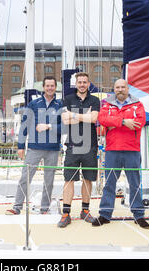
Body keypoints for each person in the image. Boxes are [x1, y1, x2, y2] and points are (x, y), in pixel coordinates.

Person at [93, 79, 149, 229]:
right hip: (112, 150)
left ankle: (139, 215)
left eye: (122, 87)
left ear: (127, 88)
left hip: (132, 150)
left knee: (135, 184)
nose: (120, 90)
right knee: (109, 184)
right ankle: (105, 214)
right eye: (117, 87)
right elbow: (102, 118)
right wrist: (124, 122)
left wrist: (114, 124)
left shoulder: (138, 104)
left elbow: (140, 121)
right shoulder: (106, 104)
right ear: (114, 89)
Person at [6, 76, 63, 215]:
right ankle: (17, 207)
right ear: (43, 87)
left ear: (55, 87)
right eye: (47, 85)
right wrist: (20, 146)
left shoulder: (60, 105)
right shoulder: (33, 104)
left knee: (48, 181)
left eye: (52, 86)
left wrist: (49, 127)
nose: (50, 88)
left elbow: (65, 127)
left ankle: (45, 209)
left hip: (53, 149)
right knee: (25, 178)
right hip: (34, 148)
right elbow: (25, 125)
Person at [57, 72, 100, 228]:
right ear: (76, 84)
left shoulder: (95, 100)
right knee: (69, 179)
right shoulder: (68, 99)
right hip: (73, 145)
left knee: (88, 179)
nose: (82, 84)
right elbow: (64, 119)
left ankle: (85, 211)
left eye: (85, 82)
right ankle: (66, 213)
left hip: (90, 145)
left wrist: (73, 115)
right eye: (79, 82)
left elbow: (94, 119)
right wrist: (84, 115)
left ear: (89, 84)